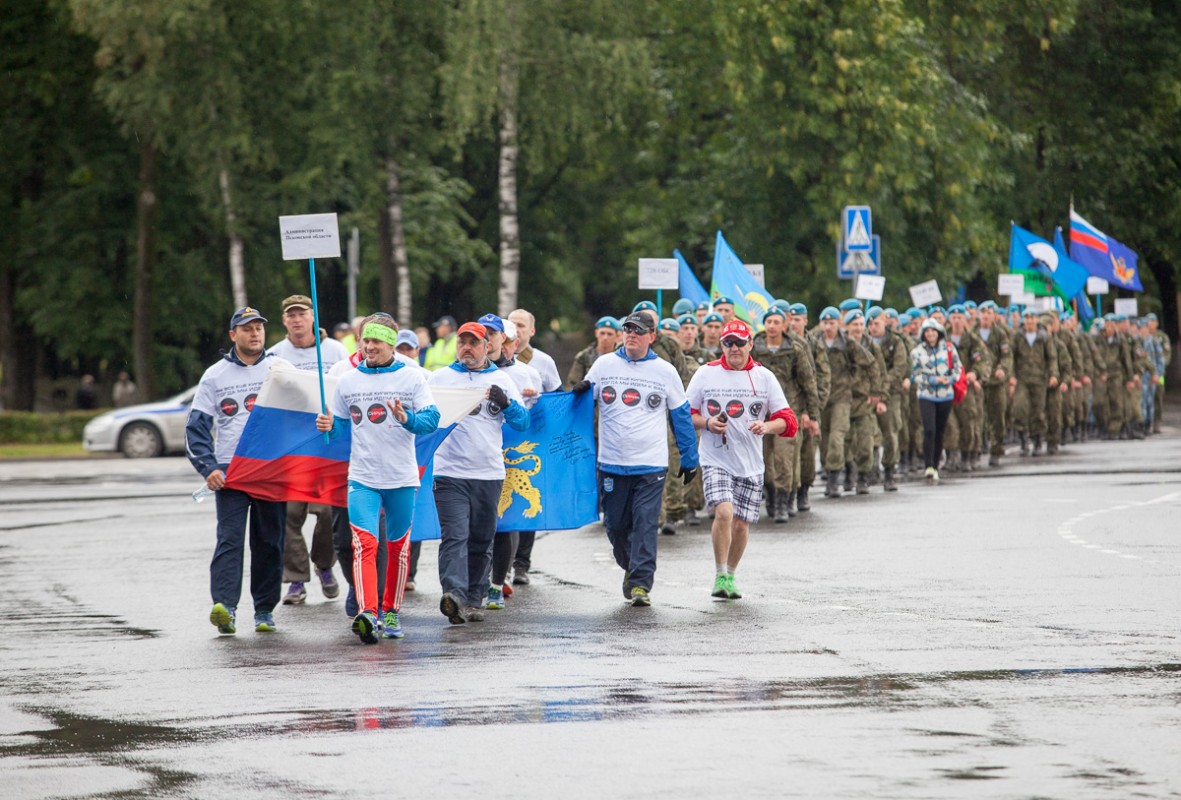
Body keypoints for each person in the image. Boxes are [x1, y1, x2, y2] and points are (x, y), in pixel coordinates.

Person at [316, 316, 439, 644]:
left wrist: (406, 418)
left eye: (377, 343)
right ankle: (367, 612)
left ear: (391, 344)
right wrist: (329, 426)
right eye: (365, 342)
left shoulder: (411, 378)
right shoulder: (348, 380)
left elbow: (432, 420)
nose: (369, 347)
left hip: (400, 477)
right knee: (363, 545)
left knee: (398, 548)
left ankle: (391, 611)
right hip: (363, 477)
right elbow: (342, 428)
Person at [576, 313, 698, 606]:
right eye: (627, 329)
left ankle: (642, 583)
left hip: (651, 464)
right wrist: (575, 394)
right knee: (616, 526)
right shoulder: (604, 365)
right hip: (611, 463)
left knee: (645, 523)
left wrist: (690, 456)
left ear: (652, 336)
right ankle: (631, 567)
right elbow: (576, 405)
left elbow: (681, 415)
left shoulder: (665, 371)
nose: (631, 334)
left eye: (638, 331)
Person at [185, 307, 292, 635]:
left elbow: (304, 415)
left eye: (259, 327)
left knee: (269, 542)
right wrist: (208, 468)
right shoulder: (215, 375)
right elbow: (196, 429)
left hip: (272, 470)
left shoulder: (280, 369)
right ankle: (225, 607)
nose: (254, 333)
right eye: (246, 329)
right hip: (231, 472)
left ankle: (264, 610)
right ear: (233, 335)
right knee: (230, 540)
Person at [687, 319, 796, 599]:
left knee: (741, 523)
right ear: (721, 345)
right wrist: (708, 423)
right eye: (728, 343)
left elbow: (788, 421)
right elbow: (685, 413)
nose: (733, 348)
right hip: (715, 457)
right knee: (724, 512)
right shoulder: (705, 373)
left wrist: (766, 427)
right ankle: (720, 573)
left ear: (750, 344)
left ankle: (731, 575)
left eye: (739, 342)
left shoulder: (764, 377)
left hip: (750, 462)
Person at [428, 321, 529, 624]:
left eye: (474, 343)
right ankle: (454, 596)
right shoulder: (439, 379)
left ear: (488, 347)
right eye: (462, 343)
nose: (467, 348)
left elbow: (522, 423)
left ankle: (474, 598)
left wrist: (506, 404)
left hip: (489, 473)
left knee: (481, 538)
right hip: (449, 472)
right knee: (454, 536)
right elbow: (424, 419)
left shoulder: (501, 379)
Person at [269, 295, 351, 606]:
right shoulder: (276, 354)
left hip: (327, 446)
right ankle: (296, 579)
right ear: (285, 321)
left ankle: (324, 565)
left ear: (313, 316)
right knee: (290, 515)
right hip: (292, 447)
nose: (297, 319)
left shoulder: (335, 351)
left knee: (329, 513)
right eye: (291, 315)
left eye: (302, 313)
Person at [484, 315, 542, 610]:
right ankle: (482, 577)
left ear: (511, 344)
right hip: (480, 452)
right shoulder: (470, 372)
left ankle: (501, 576)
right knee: (481, 522)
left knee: (505, 519)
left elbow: (541, 412)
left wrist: (538, 399)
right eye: (495, 339)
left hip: (512, 453)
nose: (500, 345)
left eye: (505, 341)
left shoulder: (525, 373)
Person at [751, 307, 817, 520]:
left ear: (784, 324)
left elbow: (808, 383)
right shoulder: (754, 347)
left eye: (776, 322)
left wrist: (811, 414)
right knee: (763, 459)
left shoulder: (795, 348)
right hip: (760, 413)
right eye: (768, 321)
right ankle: (770, 493)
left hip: (787, 412)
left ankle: (782, 500)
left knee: (784, 458)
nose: (771, 326)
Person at [910, 318, 962, 485]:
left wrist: (949, 379)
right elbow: (915, 374)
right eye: (927, 331)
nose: (930, 334)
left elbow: (958, 368)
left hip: (945, 394)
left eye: (933, 331)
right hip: (926, 394)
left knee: (940, 431)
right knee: (929, 430)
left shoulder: (949, 348)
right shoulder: (917, 352)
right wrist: (932, 380)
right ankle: (929, 465)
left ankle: (936, 464)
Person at [507, 308, 562, 392]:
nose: (515, 329)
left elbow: (557, 397)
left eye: (521, 325)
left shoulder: (544, 361)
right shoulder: (493, 357)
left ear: (532, 331)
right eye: (511, 325)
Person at [566, 316, 621, 389]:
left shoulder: (622, 356)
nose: (605, 338)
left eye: (609, 334)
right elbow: (573, 383)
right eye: (602, 333)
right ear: (596, 333)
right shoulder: (584, 356)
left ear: (617, 336)